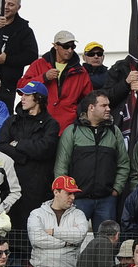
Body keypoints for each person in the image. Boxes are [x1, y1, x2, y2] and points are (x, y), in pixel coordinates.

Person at [55, 90, 130, 228]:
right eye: (104, 105)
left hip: (106, 200)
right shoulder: (72, 131)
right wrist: (66, 194)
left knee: (106, 246)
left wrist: (116, 189)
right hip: (77, 199)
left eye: (109, 105)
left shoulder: (115, 132)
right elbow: (61, 165)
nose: (109, 109)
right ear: (91, 107)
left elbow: (123, 163)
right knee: (72, 242)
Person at [0, 80, 62, 237]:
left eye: (27, 94)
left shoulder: (51, 124)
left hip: (37, 187)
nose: (22, 98)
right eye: (22, 94)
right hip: (11, 184)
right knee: (9, 231)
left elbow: (44, 149)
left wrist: (18, 144)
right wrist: (23, 156)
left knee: (32, 232)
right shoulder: (12, 121)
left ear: (38, 98)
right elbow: (1, 146)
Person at [27, 176, 89, 267]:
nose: (72, 197)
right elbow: (37, 239)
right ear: (56, 192)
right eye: (69, 193)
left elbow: (79, 235)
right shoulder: (37, 214)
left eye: (74, 194)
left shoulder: (79, 214)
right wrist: (66, 243)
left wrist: (53, 231)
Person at [19, 31, 92, 131]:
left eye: (73, 46)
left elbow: (88, 99)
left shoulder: (81, 72)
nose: (70, 50)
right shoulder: (39, 64)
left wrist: (76, 114)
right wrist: (44, 77)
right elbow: (21, 88)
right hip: (40, 125)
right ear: (55, 46)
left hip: (68, 126)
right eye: (66, 46)